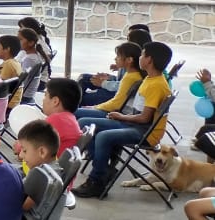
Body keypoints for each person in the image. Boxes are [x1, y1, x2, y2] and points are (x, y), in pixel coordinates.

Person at [73, 41, 173, 198]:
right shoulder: (150, 79)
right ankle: (104, 169)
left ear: (149, 60)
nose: (139, 57)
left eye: (142, 54)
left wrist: (121, 116)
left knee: (103, 136)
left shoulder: (157, 85)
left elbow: (145, 118)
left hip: (145, 131)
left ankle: (97, 181)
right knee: (85, 123)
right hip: (134, 123)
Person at [75, 42, 143, 118]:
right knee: (84, 78)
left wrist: (94, 107)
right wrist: (109, 77)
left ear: (129, 60)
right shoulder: (131, 74)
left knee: (75, 111)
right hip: (113, 108)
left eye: (118, 56)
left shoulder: (131, 77)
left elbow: (116, 104)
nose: (115, 58)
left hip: (114, 112)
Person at [16, 121, 66, 220]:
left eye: (25, 150)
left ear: (42, 152)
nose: (21, 155)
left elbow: (22, 206)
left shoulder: (42, 176)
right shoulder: (53, 169)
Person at [39, 77, 82, 156]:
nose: (43, 100)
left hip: (43, 167)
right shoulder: (70, 118)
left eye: (45, 96)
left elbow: (33, 145)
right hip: (56, 166)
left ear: (55, 101)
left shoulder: (55, 120)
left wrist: (19, 146)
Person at [0, 34, 24, 108]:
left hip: (6, 105)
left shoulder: (8, 64)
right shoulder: (14, 62)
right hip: (13, 103)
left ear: (7, 49)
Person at [18, 28, 44, 104]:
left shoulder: (29, 59)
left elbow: (22, 82)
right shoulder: (35, 56)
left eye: (20, 39)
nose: (18, 42)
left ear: (31, 42)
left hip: (24, 96)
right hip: (29, 94)